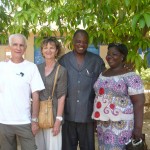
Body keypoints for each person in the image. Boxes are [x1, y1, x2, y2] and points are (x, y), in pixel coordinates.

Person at [92, 43, 145, 150]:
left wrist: (138, 129)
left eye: (114, 54)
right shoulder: (103, 74)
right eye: (108, 54)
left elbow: (139, 102)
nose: (110, 57)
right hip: (103, 126)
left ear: (122, 57)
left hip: (122, 127)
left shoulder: (130, 76)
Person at [59, 29, 105, 150]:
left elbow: (103, 87)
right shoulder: (63, 60)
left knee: (88, 147)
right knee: (67, 147)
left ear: (88, 43)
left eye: (84, 42)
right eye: (78, 41)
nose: (81, 44)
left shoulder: (96, 61)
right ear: (73, 42)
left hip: (88, 115)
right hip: (68, 114)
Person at [0, 33, 45, 150]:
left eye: (21, 45)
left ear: (25, 48)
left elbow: (36, 96)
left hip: (25, 122)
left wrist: (34, 120)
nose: (18, 48)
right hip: (3, 122)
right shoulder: (1, 67)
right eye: (15, 44)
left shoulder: (31, 67)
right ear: (9, 47)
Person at [35, 37, 67, 150]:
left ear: (57, 50)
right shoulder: (36, 68)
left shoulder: (61, 70)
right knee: (38, 147)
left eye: (52, 48)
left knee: (53, 147)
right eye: (45, 48)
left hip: (53, 116)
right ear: (42, 51)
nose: (48, 50)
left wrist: (58, 120)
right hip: (37, 115)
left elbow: (61, 97)